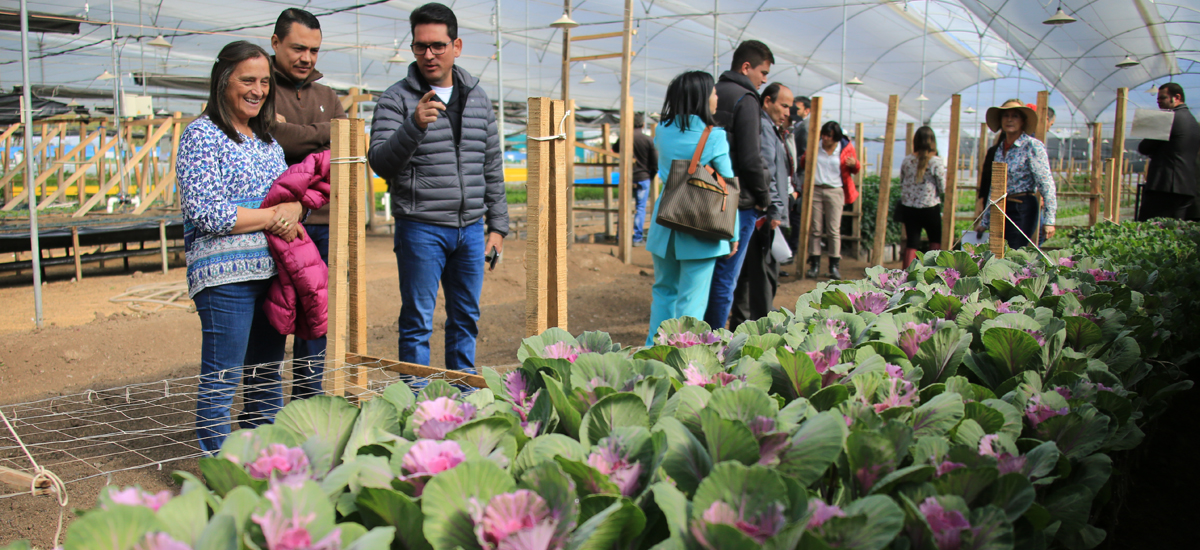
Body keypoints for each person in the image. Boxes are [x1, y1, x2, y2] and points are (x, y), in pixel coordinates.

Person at [368, 2, 508, 372]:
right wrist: (413, 125)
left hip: (470, 231)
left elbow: (491, 164)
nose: (428, 54)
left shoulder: (477, 98)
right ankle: (416, 404)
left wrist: (498, 226)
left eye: (438, 46)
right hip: (421, 226)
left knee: (466, 318)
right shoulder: (396, 99)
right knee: (417, 322)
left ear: (456, 46)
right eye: (420, 46)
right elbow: (380, 161)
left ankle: (461, 398)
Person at [178, 41, 301, 453]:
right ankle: (218, 469)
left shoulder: (266, 142)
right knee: (223, 376)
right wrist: (271, 217)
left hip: (272, 273)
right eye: (248, 80)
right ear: (223, 81)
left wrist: (296, 207)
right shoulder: (201, 135)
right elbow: (207, 212)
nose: (258, 89)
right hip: (224, 277)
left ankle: (261, 466)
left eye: (264, 81)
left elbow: (290, 193)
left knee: (266, 376)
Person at [268, 7, 347, 399]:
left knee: (316, 318)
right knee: (272, 316)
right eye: (299, 48)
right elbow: (273, 136)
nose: (307, 58)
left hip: (319, 221)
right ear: (276, 43)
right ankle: (261, 411)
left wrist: (296, 132)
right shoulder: (259, 86)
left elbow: (344, 149)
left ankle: (306, 403)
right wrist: (324, 134)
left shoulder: (327, 95)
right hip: (270, 224)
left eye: (314, 51)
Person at [644, 71, 736, 345]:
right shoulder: (715, 136)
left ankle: (653, 348)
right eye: (713, 92)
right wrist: (732, 233)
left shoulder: (661, 131)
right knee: (691, 301)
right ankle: (684, 354)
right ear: (701, 96)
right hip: (701, 225)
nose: (716, 97)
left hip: (666, 222)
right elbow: (728, 184)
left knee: (663, 291)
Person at [704, 40, 774, 330]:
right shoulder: (746, 99)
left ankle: (693, 336)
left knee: (703, 273)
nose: (764, 80)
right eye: (763, 72)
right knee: (725, 276)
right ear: (746, 67)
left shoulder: (711, 93)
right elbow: (749, 157)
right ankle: (716, 342)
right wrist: (763, 197)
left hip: (704, 193)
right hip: (738, 200)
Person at [729, 82, 792, 327]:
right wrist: (774, 207)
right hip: (762, 213)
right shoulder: (765, 128)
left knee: (748, 272)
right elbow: (767, 170)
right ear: (767, 102)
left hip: (758, 209)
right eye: (783, 105)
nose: (788, 111)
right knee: (764, 273)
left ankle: (741, 324)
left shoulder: (770, 127)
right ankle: (761, 325)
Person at [978, 99, 1056, 249]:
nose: (1009, 120)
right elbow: (995, 186)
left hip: (1022, 208)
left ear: (1023, 121)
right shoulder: (1000, 149)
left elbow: (1046, 183)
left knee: (1014, 252)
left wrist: (1049, 220)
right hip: (1001, 207)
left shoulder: (1032, 146)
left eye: (1015, 116)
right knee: (997, 253)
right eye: (1005, 116)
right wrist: (985, 220)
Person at [1137, 83, 1200, 220]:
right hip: (1186, 188)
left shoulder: (1168, 118)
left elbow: (1144, 148)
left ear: (1176, 97)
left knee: (1151, 229)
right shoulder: (1193, 122)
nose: (1159, 102)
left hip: (1164, 186)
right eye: (1158, 99)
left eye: (1163, 98)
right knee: (1174, 231)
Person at [804, 121, 858, 279]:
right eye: (824, 134)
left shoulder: (845, 148)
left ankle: (834, 265)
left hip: (835, 189)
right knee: (815, 229)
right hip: (816, 188)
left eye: (829, 136)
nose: (825, 138)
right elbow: (804, 162)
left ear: (836, 137)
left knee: (833, 229)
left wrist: (855, 164)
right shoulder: (815, 146)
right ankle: (814, 264)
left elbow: (855, 168)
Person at [897, 126, 946, 267]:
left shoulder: (907, 160)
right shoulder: (936, 161)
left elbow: (901, 181)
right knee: (935, 240)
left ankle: (907, 274)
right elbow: (942, 186)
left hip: (909, 208)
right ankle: (934, 271)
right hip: (930, 206)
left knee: (912, 242)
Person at [613, 112, 658, 244]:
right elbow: (655, 163)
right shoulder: (648, 140)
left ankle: (620, 236)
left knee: (623, 206)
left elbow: (615, 149)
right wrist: (652, 175)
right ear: (643, 124)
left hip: (627, 178)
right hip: (643, 177)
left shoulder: (625, 138)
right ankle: (637, 237)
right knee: (640, 208)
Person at [785, 96, 811, 260]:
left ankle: (794, 250)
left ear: (807, 110)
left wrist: (795, 167)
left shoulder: (806, 128)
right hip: (796, 177)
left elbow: (805, 155)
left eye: (798, 108)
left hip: (799, 178)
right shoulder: (798, 126)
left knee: (796, 216)